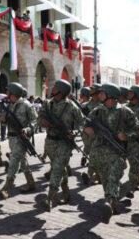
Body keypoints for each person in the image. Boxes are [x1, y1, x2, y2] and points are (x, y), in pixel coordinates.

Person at [83, 84, 138, 222]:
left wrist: (125, 135)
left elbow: (137, 129)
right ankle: (110, 202)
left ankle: (109, 205)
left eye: (102, 93)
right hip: (99, 153)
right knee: (106, 182)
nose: (98, 95)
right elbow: (86, 125)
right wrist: (88, 130)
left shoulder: (125, 112)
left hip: (116, 152)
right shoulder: (97, 111)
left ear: (110, 95)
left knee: (113, 179)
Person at [40, 79, 84, 209]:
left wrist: (74, 132)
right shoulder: (48, 104)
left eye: (55, 87)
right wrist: (43, 122)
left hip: (64, 143)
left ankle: (49, 198)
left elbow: (81, 123)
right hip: (50, 141)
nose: (52, 88)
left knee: (57, 169)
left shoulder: (72, 106)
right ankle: (66, 192)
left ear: (61, 91)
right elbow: (39, 118)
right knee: (59, 168)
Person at [0, 83, 37, 199]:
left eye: (8, 91)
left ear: (13, 92)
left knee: (13, 162)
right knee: (23, 162)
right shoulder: (10, 105)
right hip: (12, 138)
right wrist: (3, 119)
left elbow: (35, 121)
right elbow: (4, 119)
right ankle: (31, 182)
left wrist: (28, 129)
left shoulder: (26, 105)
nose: (7, 93)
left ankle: (6, 189)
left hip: (21, 138)